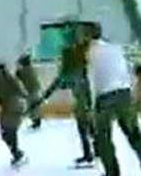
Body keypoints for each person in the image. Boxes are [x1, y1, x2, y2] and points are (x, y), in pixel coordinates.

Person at [84, 23, 141, 176]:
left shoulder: (89, 52)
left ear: (88, 35)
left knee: (103, 137)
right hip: (124, 93)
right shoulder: (116, 48)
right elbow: (133, 67)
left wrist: (89, 105)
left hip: (104, 96)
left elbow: (89, 79)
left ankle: (112, 175)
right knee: (134, 133)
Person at [35, 36, 96, 167]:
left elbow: (57, 85)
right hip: (89, 99)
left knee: (84, 127)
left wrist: (42, 98)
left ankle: (90, 155)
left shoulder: (69, 71)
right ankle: (95, 152)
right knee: (90, 127)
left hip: (83, 101)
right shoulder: (80, 66)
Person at [0, 63, 27, 167]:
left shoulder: (12, 81)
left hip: (14, 108)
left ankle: (17, 154)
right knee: (6, 134)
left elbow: (23, 92)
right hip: (7, 110)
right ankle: (16, 152)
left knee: (10, 131)